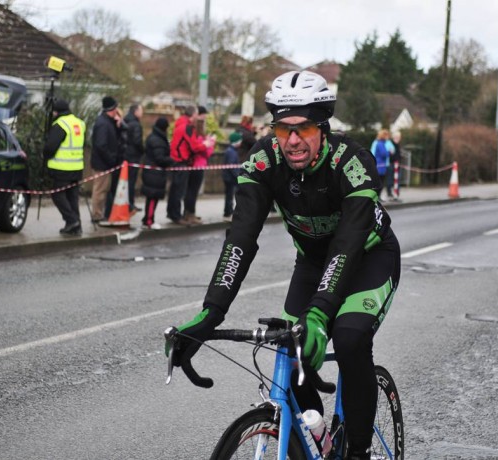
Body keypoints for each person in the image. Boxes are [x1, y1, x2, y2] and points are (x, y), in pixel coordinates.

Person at [167, 70, 401, 460]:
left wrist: (321, 314)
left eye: (303, 127)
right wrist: (211, 312)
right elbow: (241, 237)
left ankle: (358, 452)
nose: (292, 140)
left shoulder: (352, 162)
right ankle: (315, 434)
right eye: (282, 129)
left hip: (367, 259)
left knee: (348, 339)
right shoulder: (263, 161)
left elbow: (346, 245)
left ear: (322, 126)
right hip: (313, 264)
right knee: (289, 352)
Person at [43, 99, 86, 236]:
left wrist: (44, 154)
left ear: (56, 112)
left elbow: (50, 147)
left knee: (57, 195)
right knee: (72, 196)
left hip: (62, 167)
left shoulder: (61, 124)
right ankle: (75, 226)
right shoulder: (79, 123)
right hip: (77, 167)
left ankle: (72, 220)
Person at [167, 106, 203, 225]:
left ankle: (172, 213)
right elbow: (194, 146)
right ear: (193, 115)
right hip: (181, 161)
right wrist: (206, 144)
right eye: (197, 114)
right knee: (178, 190)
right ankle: (176, 216)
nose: (198, 117)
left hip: (176, 160)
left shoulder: (180, 124)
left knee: (175, 189)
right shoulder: (187, 127)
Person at [90, 96, 124, 224]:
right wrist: (111, 159)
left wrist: (118, 125)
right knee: (100, 191)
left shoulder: (108, 122)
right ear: (112, 109)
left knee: (103, 190)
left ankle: (99, 214)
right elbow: (101, 145)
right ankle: (97, 215)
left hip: (105, 163)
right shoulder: (103, 124)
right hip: (102, 164)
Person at [183, 106, 215, 225]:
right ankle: (190, 213)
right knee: (193, 191)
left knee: (190, 190)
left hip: (193, 164)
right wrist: (211, 143)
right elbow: (206, 152)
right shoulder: (200, 136)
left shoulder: (194, 134)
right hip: (198, 165)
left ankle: (188, 212)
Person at [140, 117, 175, 230]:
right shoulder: (158, 140)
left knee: (152, 197)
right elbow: (159, 158)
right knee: (152, 197)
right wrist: (171, 160)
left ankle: (148, 218)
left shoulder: (155, 137)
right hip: (154, 173)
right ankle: (149, 220)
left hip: (153, 172)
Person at [123, 104, 144, 214]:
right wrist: (142, 150)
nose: (142, 113)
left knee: (126, 181)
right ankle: (130, 204)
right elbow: (137, 141)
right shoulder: (135, 125)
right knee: (131, 181)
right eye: (141, 110)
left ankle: (129, 203)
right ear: (135, 111)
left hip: (126, 155)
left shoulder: (125, 121)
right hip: (133, 156)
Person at [222, 131, 242, 221]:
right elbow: (231, 166)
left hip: (229, 177)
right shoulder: (231, 152)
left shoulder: (231, 151)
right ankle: (228, 213)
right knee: (229, 196)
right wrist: (237, 176)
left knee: (229, 195)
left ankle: (229, 211)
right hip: (230, 178)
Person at [370, 129, 395, 201]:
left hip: (379, 165)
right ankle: (377, 198)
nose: (388, 137)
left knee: (379, 182)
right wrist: (388, 152)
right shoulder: (381, 144)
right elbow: (384, 154)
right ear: (384, 136)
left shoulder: (379, 143)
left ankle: (378, 197)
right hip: (380, 166)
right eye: (387, 135)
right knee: (380, 183)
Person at [390, 131, 403, 201]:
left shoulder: (398, 144)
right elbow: (391, 155)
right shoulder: (391, 144)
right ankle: (391, 194)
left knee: (398, 180)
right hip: (392, 164)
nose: (398, 138)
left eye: (399, 137)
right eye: (397, 137)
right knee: (391, 180)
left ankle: (396, 194)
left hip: (398, 165)